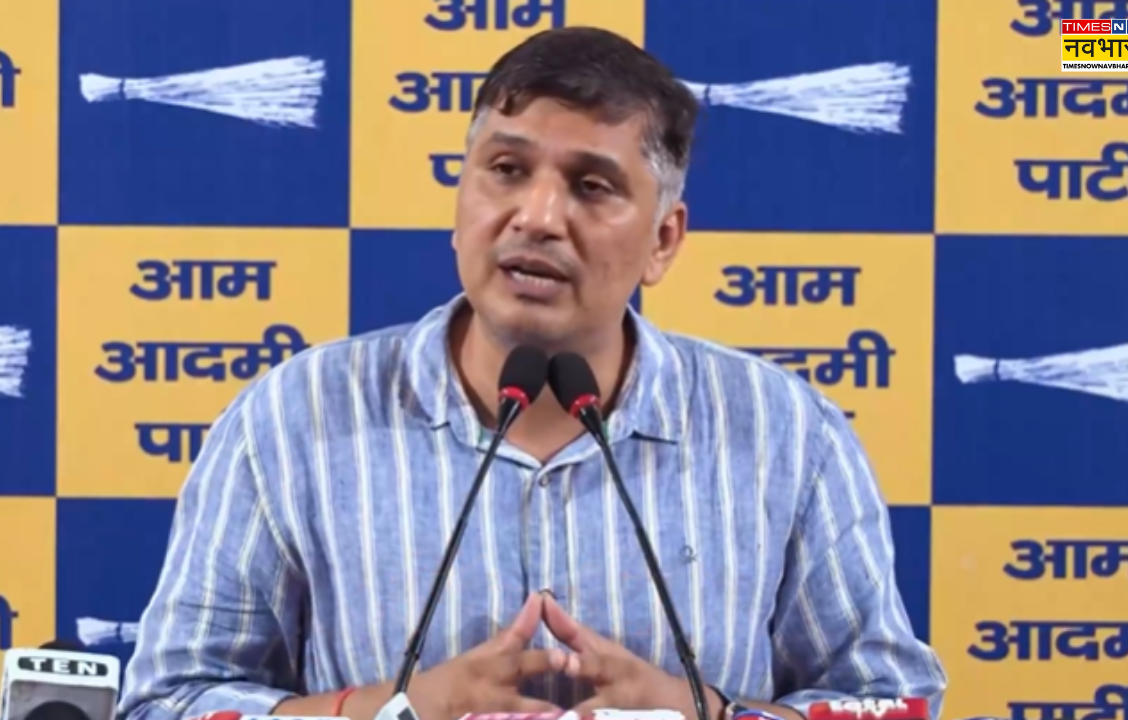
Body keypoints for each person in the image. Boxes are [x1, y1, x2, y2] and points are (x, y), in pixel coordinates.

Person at [116, 26, 948, 720]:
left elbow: (895, 705)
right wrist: (392, 710)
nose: (539, 217)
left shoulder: (785, 433)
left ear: (663, 241)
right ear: (462, 198)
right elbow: (166, 702)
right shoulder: (292, 417)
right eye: (507, 170)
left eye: (592, 186)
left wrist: (704, 713)